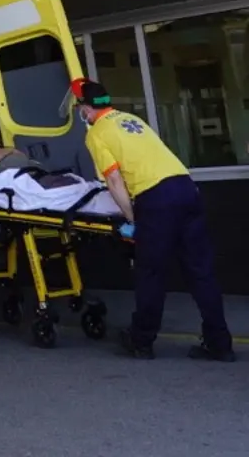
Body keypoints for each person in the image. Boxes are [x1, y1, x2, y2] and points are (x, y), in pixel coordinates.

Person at [71, 78, 234, 362]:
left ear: (85, 108)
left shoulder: (97, 133)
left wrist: (133, 218)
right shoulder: (131, 119)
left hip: (157, 199)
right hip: (187, 189)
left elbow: (113, 179)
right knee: (201, 272)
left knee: (151, 272)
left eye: (79, 107)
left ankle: (141, 339)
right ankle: (219, 342)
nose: (79, 113)